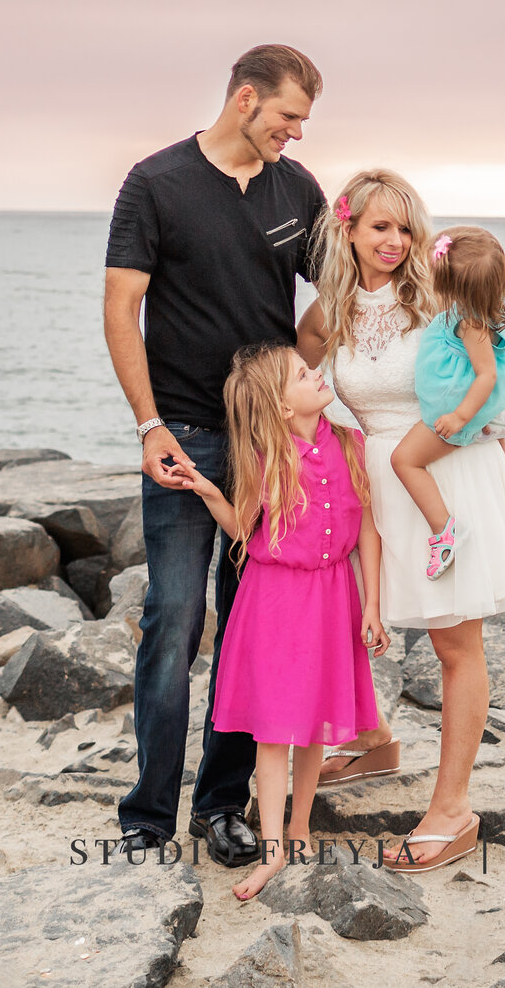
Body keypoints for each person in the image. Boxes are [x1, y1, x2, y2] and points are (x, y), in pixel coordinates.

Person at [105, 43, 326, 867]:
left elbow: (340, 289)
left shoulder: (296, 192)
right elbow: (121, 307)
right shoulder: (155, 182)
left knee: (252, 627)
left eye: (303, 121)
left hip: (268, 444)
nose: (295, 135)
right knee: (174, 619)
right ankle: (148, 815)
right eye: (287, 117)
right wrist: (147, 424)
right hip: (185, 437)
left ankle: (222, 805)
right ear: (244, 99)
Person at [297, 169, 505, 874]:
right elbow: (290, 380)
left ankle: (452, 809)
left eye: (406, 228)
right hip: (374, 473)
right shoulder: (329, 310)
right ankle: (372, 736)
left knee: (453, 645)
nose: (395, 241)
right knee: (351, 614)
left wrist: (485, 416)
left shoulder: (440, 293)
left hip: (446, 472)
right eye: (380, 226)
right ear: (348, 228)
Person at [183, 344, 388, 902]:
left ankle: (300, 829)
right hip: (274, 602)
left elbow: (368, 529)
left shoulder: (352, 444)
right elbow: (245, 532)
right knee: (275, 731)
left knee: (315, 718)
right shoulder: (261, 457)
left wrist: (372, 603)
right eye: (303, 373)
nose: (317, 374)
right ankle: (273, 849)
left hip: (333, 599)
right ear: (278, 404)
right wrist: (207, 490)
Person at [389, 226, 505, 577]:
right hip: (480, 411)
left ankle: (445, 530)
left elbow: (487, 375)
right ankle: (503, 520)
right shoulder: (498, 310)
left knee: (404, 460)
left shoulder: (471, 323)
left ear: (453, 288)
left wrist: (462, 416)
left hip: (459, 413)